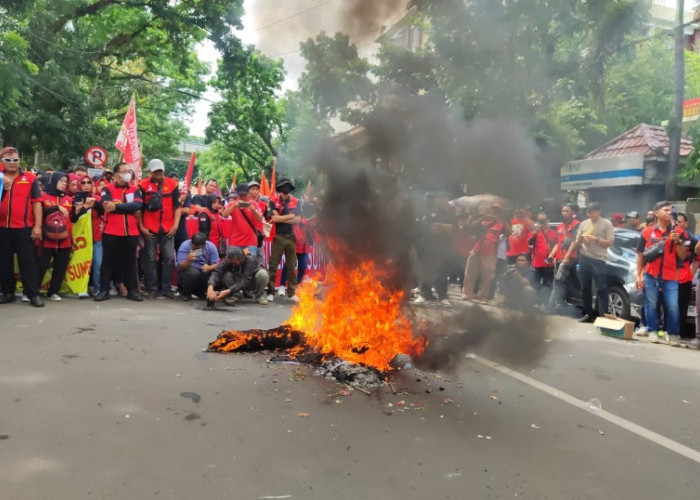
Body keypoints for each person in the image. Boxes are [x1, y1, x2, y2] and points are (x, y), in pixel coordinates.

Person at [636, 201, 688, 344]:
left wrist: (678, 242)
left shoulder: (679, 232)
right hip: (651, 274)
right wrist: (638, 274)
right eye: (665, 210)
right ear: (656, 213)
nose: (669, 212)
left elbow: (683, 255)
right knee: (651, 304)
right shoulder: (647, 232)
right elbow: (640, 255)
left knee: (672, 306)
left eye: (670, 210)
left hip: (671, 275)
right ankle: (652, 330)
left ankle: (672, 333)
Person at [0, 146, 45, 307]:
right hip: (2, 227)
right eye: (8, 160)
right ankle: (7, 292)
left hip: (24, 227)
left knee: (28, 262)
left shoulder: (30, 178)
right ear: (2, 161)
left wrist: (37, 226)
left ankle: (33, 294)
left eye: (15, 160)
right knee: (3, 261)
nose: (12, 163)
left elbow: (37, 203)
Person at [94, 162, 143, 302]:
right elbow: (105, 205)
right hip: (111, 232)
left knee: (130, 262)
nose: (128, 173)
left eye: (129, 171)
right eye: (124, 171)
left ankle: (132, 290)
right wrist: (125, 207)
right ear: (116, 174)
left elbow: (137, 205)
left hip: (131, 232)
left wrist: (116, 206)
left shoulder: (135, 189)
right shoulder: (108, 188)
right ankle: (104, 290)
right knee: (107, 262)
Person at [138, 159, 181, 299]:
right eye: (155, 171)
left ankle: (166, 289)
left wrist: (175, 226)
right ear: (150, 171)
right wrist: (141, 226)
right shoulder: (143, 185)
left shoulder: (172, 184)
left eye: (160, 171)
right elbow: (139, 209)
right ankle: (152, 288)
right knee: (150, 259)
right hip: (149, 227)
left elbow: (177, 207)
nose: (158, 174)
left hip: (168, 227)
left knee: (168, 258)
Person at [36, 172, 84, 300]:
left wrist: (81, 209)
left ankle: (53, 292)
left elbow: (73, 219)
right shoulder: (43, 196)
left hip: (64, 239)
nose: (64, 184)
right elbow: (39, 212)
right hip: (46, 238)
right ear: (53, 181)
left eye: (65, 182)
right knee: (41, 265)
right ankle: (33, 292)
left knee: (60, 267)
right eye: (61, 181)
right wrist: (56, 207)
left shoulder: (68, 199)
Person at [564, 202, 614, 322]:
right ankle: (588, 313)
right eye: (589, 212)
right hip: (585, 257)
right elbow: (576, 241)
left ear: (599, 212)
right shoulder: (584, 224)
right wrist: (570, 252)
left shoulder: (606, 223)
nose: (591, 214)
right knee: (585, 287)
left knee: (601, 288)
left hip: (599, 259)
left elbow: (610, 242)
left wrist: (595, 239)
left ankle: (603, 315)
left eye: (593, 212)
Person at [460, 203, 510, 301]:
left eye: (496, 211)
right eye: (492, 210)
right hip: (476, 249)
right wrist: (483, 217)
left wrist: (503, 220)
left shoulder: (501, 224)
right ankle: (467, 294)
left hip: (489, 252)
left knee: (486, 276)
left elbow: (510, 232)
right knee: (470, 273)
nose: (493, 212)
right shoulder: (483, 220)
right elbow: (471, 227)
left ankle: (483, 296)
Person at [266, 178, 303, 302]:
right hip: (278, 236)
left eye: (288, 187)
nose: (286, 190)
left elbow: (298, 220)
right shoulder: (273, 201)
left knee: (291, 266)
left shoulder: (296, 202)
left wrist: (281, 217)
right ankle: (270, 292)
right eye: (283, 187)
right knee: (273, 265)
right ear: (280, 189)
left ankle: (291, 293)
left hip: (292, 237)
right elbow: (274, 219)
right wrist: (289, 216)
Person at [548, 203, 580, 313]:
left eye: (567, 210)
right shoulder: (560, 226)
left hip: (570, 258)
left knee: (557, 282)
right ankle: (561, 304)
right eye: (563, 211)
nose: (564, 213)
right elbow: (558, 243)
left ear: (573, 212)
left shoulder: (576, 225)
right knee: (562, 283)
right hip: (559, 258)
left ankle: (550, 308)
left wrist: (566, 257)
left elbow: (576, 242)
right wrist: (552, 254)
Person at [221, 183, 263, 256]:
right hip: (235, 242)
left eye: (244, 194)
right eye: (241, 195)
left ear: (248, 193)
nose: (243, 196)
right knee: (234, 263)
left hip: (249, 243)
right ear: (237, 193)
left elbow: (260, 219)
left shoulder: (254, 204)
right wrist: (234, 206)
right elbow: (224, 215)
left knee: (249, 262)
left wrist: (253, 210)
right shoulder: (232, 204)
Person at [176, 232, 219, 300]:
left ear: (204, 245)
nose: (196, 250)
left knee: (213, 275)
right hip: (189, 269)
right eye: (194, 247)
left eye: (198, 248)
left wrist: (209, 268)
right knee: (193, 273)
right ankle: (185, 293)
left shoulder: (211, 246)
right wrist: (188, 260)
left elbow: (216, 264)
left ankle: (201, 293)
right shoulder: (185, 245)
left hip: (203, 269)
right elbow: (180, 267)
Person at [528, 212, 557, 304]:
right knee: (535, 284)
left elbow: (558, 245)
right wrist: (536, 232)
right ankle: (536, 303)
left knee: (548, 284)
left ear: (548, 220)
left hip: (549, 263)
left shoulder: (553, 233)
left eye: (543, 220)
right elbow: (530, 243)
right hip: (537, 262)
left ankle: (545, 304)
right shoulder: (534, 232)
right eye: (540, 220)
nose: (542, 222)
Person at [677, 212, 694, 341]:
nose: (678, 224)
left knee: (682, 307)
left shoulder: (691, 239)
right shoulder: (669, 236)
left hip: (685, 279)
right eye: (676, 222)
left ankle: (681, 331)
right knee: (670, 306)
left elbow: (697, 258)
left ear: (686, 223)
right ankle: (668, 329)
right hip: (670, 278)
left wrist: (691, 273)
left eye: (681, 221)